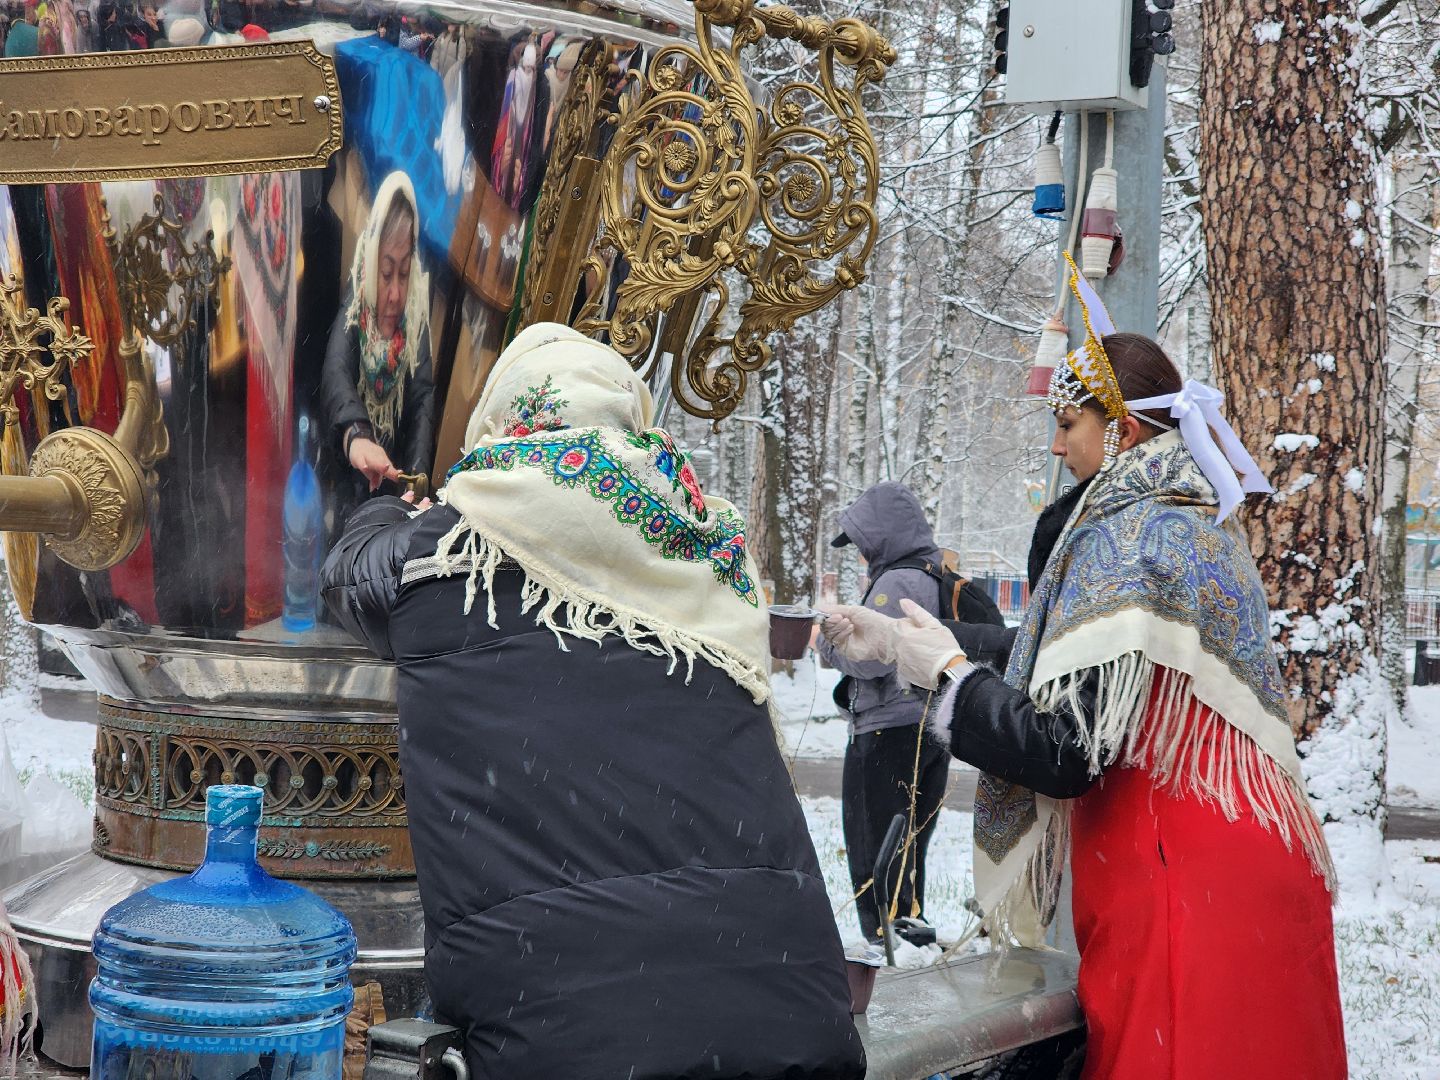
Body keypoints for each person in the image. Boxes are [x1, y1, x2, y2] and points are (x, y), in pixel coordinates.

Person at [821, 257, 1346, 1079]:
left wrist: (950, 678)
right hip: (1250, 884)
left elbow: (1066, 746)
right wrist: (900, 646)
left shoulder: (1123, 541)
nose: (1058, 445)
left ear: (1124, 432)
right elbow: (1063, 653)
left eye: (1069, 424)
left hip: (1180, 895)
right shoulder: (1189, 529)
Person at [320, 323, 865, 1080]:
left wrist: (390, 512)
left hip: (568, 1041)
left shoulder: (450, 549)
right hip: (787, 1015)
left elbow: (351, 578)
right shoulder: (701, 551)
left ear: (505, 418)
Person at [816, 481, 954, 947]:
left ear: (881, 537)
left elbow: (872, 657)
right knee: (907, 851)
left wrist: (830, 643)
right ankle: (908, 941)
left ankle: (886, 950)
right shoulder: (932, 570)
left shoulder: (898, 581)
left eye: (860, 544)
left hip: (886, 733)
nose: (857, 554)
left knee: (876, 851)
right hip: (927, 729)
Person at [320, 171, 436, 520]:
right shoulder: (357, 310)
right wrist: (357, 436)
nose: (396, 294)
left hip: (394, 476)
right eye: (387, 274)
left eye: (404, 273)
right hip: (348, 474)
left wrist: (413, 482)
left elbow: (421, 401)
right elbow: (335, 373)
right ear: (372, 264)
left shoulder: (415, 318)